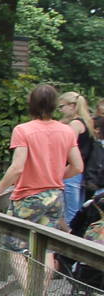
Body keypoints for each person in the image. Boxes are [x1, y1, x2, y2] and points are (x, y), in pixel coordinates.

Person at [0, 84, 82, 231]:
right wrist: (53, 176)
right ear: (54, 105)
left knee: (17, 242)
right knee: (44, 241)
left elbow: (17, 168)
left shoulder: (23, 130)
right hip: (55, 196)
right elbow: (78, 167)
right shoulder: (67, 131)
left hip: (29, 197)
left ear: (31, 104)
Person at [57, 91, 95, 224]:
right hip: (82, 171)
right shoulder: (87, 122)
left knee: (69, 213)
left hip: (71, 170)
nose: (60, 110)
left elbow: (66, 146)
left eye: (62, 106)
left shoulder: (75, 124)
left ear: (72, 106)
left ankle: (68, 235)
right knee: (77, 210)